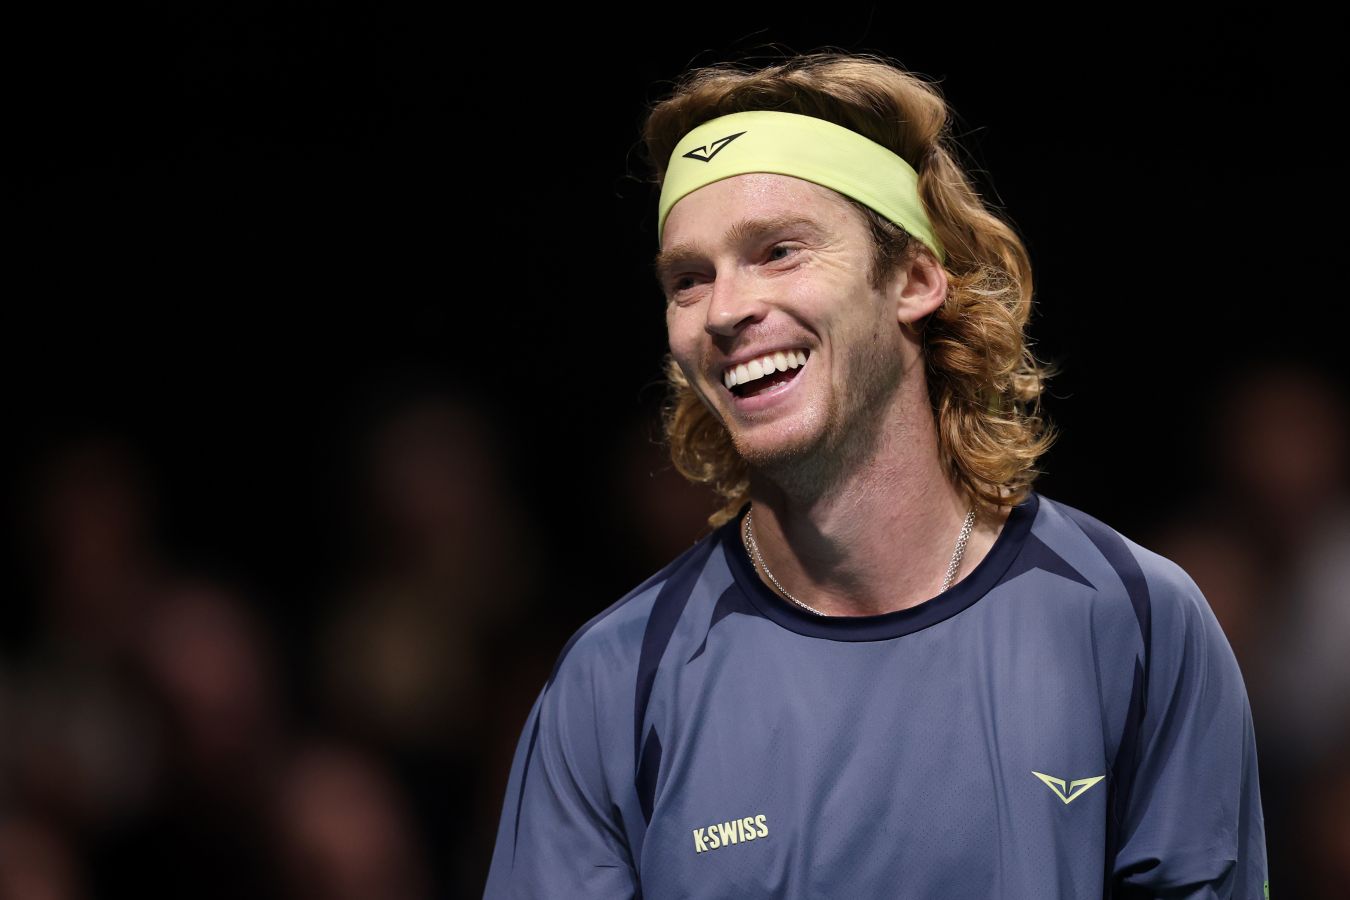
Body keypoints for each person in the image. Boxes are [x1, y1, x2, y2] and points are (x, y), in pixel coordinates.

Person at [483, 51, 1269, 899]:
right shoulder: (612, 683)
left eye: (779, 251)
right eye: (688, 280)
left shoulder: (1135, 619)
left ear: (914, 279)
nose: (724, 310)